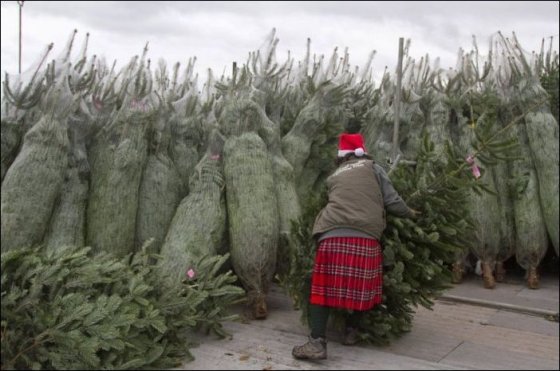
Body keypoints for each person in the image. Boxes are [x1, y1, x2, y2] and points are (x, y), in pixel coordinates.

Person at [292, 131, 420, 360]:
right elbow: (392, 201)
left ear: (341, 156)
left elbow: (328, 201)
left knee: (322, 290)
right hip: (365, 238)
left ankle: (316, 342)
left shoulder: (334, 175)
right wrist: (410, 213)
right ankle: (352, 332)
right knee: (361, 288)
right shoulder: (372, 167)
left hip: (331, 237)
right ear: (363, 152)